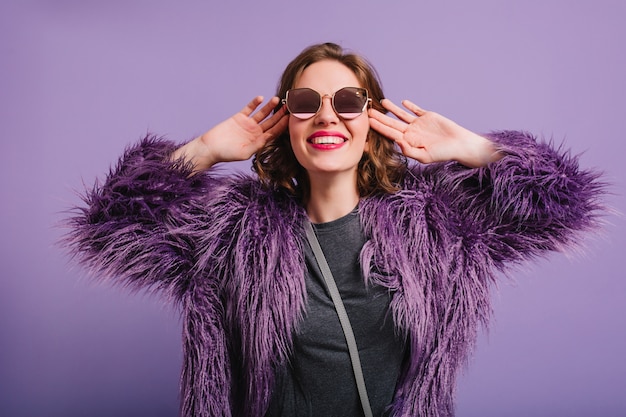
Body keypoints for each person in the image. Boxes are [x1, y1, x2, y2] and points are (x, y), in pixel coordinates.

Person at [64, 42, 605, 416]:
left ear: (369, 121)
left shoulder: (438, 226)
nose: (327, 116)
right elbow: (111, 225)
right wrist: (205, 151)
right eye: (305, 103)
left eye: (347, 101)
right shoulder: (230, 235)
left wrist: (475, 149)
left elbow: (564, 203)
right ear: (285, 124)